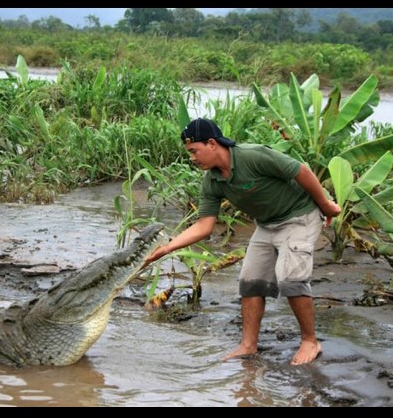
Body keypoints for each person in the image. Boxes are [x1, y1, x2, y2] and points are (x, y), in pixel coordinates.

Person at [142, 118, 341, 365]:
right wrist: (167, 248)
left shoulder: (252, 156)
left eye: (194, 151)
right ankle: (248, 345)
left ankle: (310, 341)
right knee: (250, 282)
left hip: (299, 216)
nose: (192, 158)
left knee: (290, 278)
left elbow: (300, 170)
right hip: (267, 224)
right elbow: (204, 225)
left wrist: (325, 205)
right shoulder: (212, 181)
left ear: (212, 143)